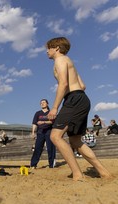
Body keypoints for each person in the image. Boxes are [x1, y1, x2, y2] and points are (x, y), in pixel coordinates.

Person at [46, 37, 111, 181]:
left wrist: (55, 107)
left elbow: (63, 84)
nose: (47, 51)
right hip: (81, 98)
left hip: (74, 99)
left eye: (49, 48)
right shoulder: (69, 62)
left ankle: (77, 174)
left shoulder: (60, 60)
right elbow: (83, 85)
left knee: (55, 136)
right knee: (75, 142)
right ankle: (104, 172)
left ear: (56, 48)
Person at [30, 99, 56, 168]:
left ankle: (51, 164)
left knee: (50, 148)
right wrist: (33, 132)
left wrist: (44, 122)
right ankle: (33, 164)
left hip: (49, 132)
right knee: (37, 148)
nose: (42, 103)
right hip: (40, 132)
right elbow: (34, 123)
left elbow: (52, 122)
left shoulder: (51, 112)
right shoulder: (38, 113)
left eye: (44, 102)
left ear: (47, 104)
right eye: (41, 103)